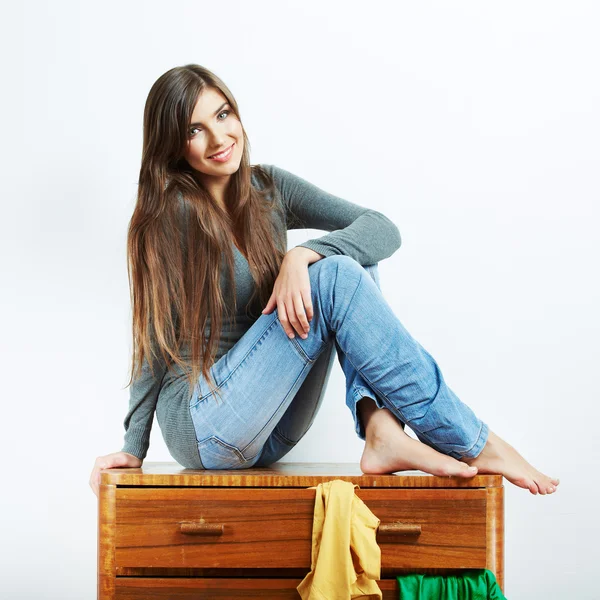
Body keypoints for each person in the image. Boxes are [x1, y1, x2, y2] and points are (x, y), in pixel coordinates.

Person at [90, 64, 560, 499]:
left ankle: (379, 428)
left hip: (271, 430)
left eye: (223, 113)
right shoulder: (170, 213)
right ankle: (471, 440)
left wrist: (303, 253)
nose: (219, 136)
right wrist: (134, 445)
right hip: (203, 424)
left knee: (354, 259)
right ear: (173, 145)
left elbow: (381, 228)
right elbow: (152, 339)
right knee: (337, 274)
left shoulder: (268, 188)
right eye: (195, 130)